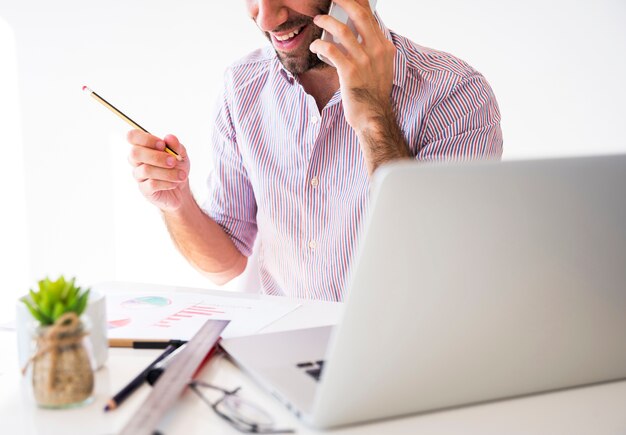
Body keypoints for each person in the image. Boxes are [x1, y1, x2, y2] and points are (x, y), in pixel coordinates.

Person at [126, 0, 503, 301]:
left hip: (395, 357)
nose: (267, 16)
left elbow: (434, 268)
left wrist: (374, 117)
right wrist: (177, 203)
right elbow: (226, 265)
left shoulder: (456, 95)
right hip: (274, 350)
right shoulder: (241, 88)